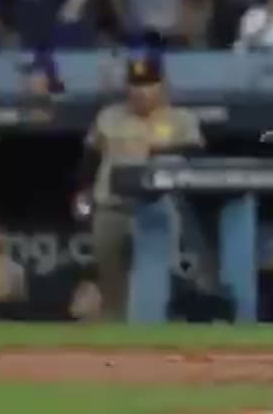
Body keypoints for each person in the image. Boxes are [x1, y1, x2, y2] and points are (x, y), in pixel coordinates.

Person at [78, 49, 205, 320]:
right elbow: (89, 160)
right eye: (135, 84)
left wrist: (160, 150)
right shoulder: (109, 117)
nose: (140, 91)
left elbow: (196, 157)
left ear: (161, 85)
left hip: (159, 210)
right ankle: (118, 345)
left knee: (161, 277)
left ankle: (157, 340)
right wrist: (82, 193)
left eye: (147, 83)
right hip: (111, 209)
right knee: (111, 284)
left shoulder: (180, 119)